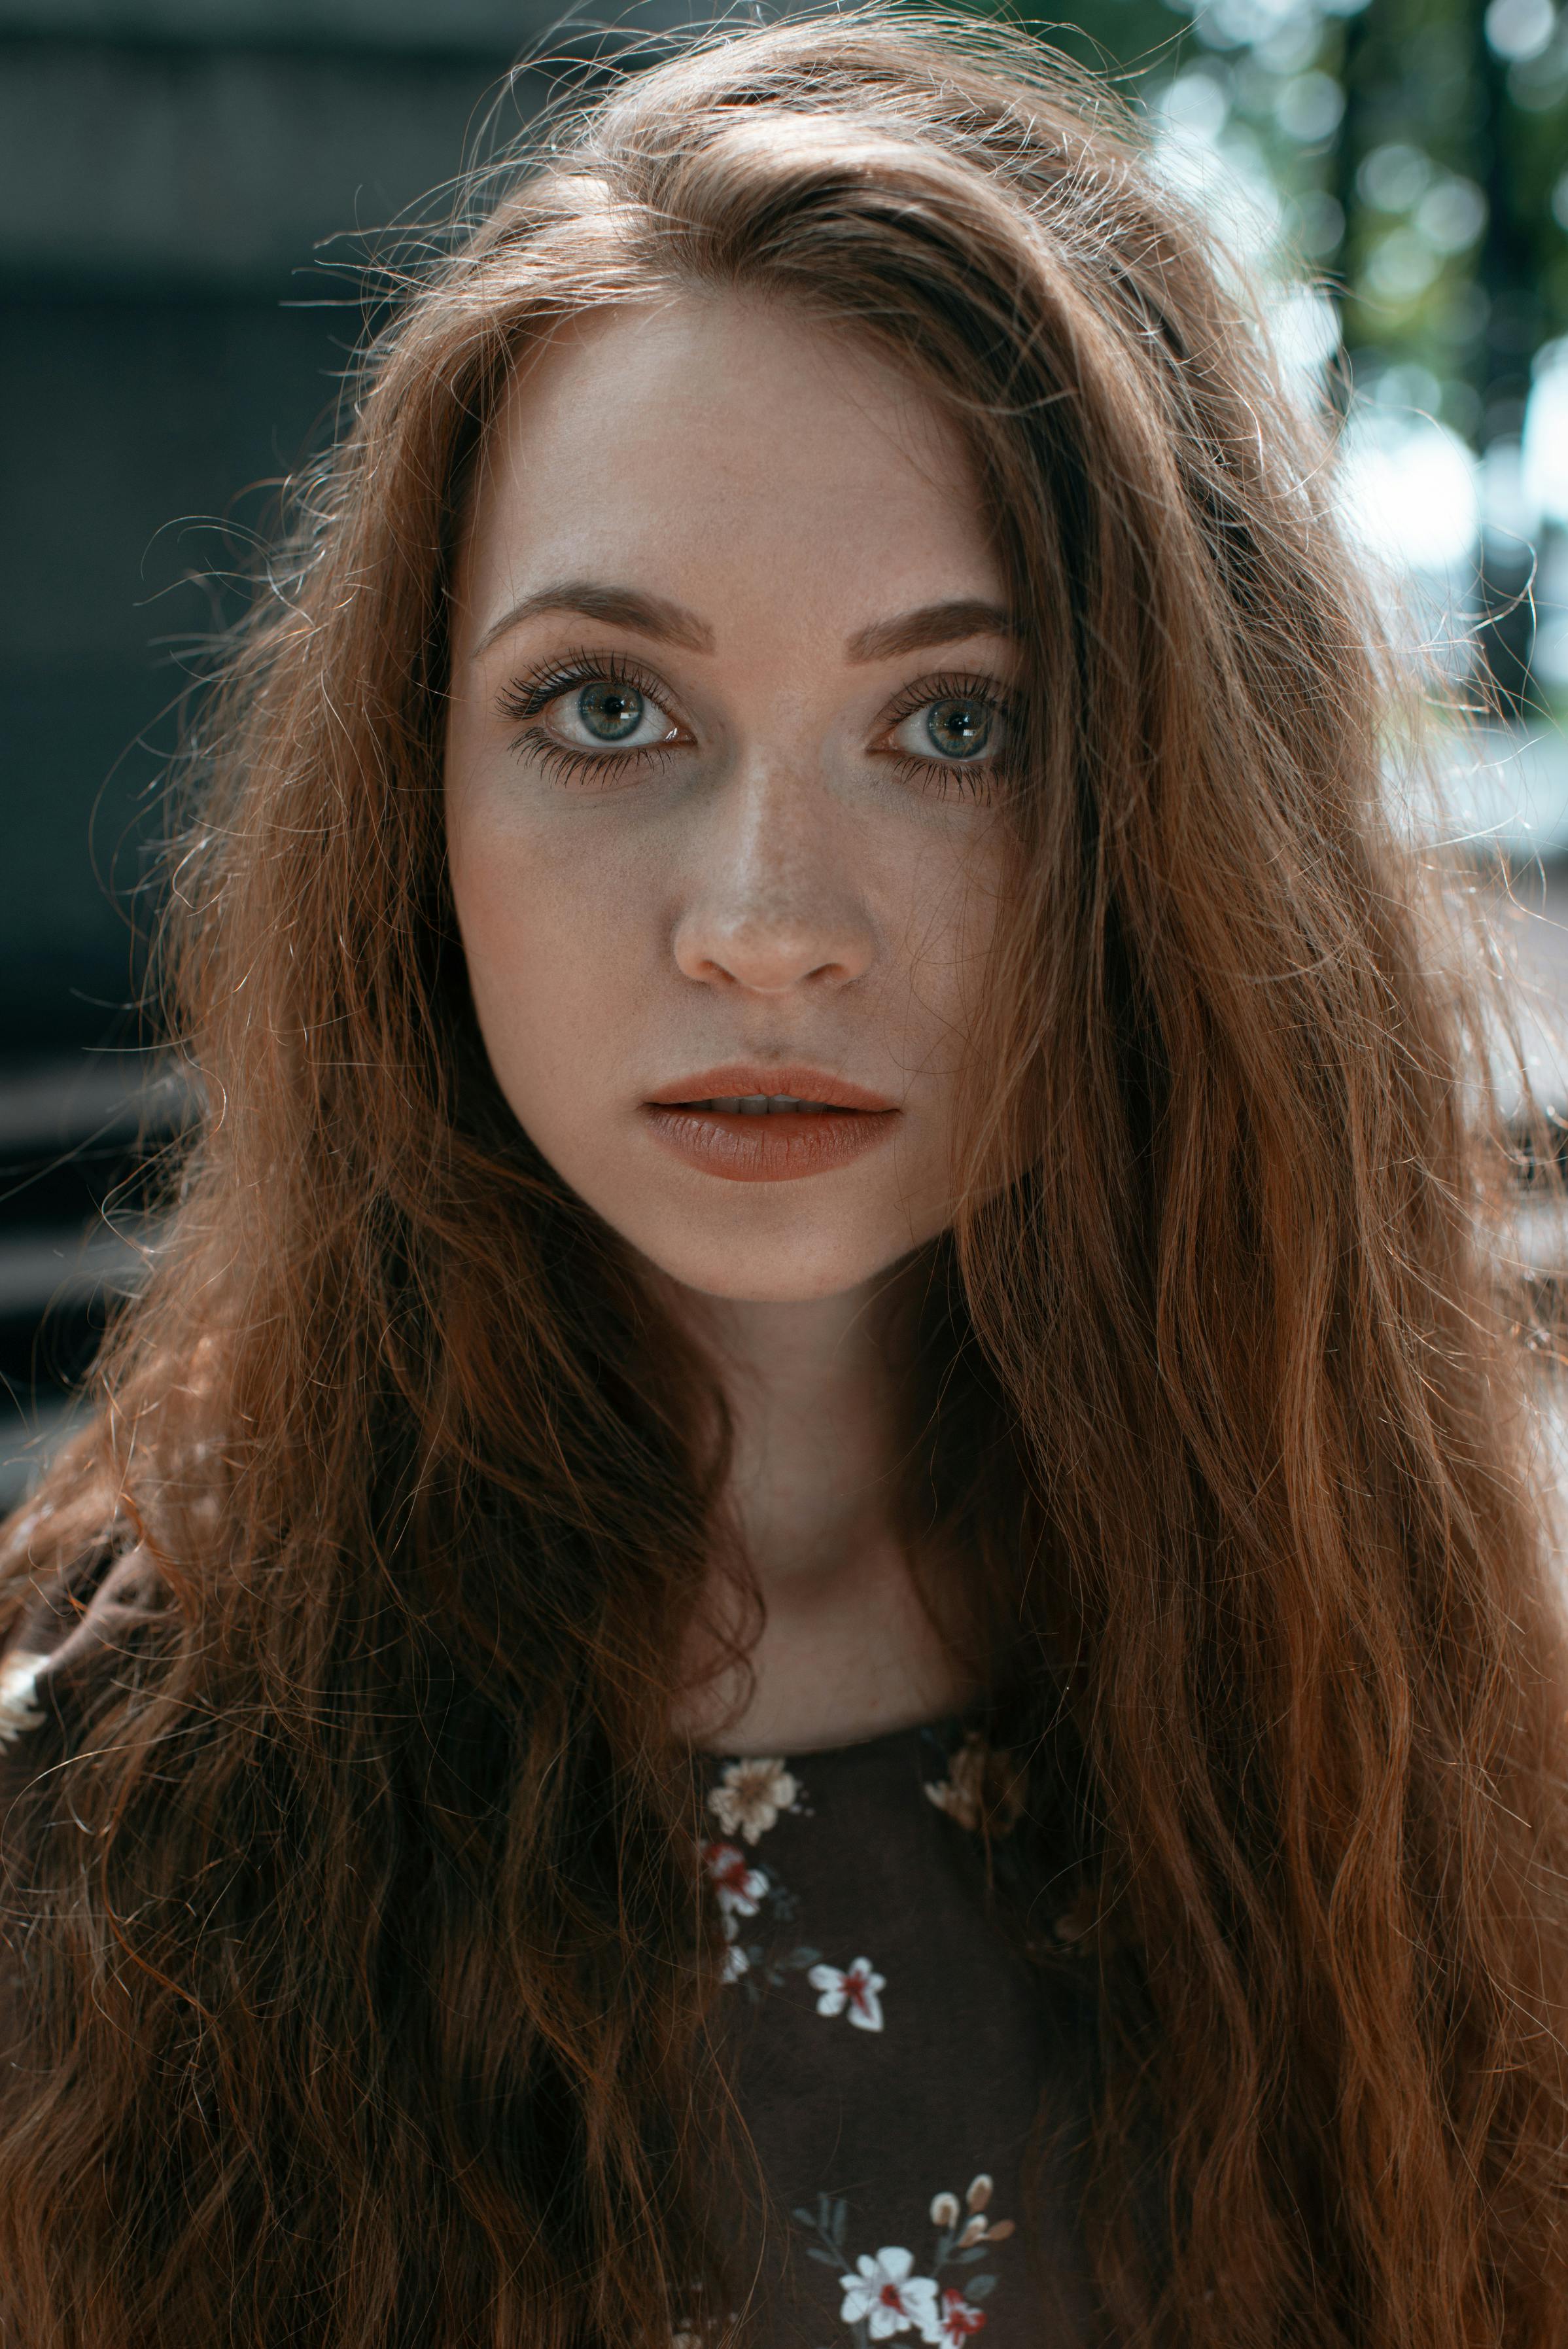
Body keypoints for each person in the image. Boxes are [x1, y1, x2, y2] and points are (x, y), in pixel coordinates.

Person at [1, 10, 1566, 2344]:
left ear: (1169, 837)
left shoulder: (1451, 1725)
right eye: (606, 709)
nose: (762, 919)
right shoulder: (95, 1826)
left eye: (960, 726)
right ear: (414, 808)